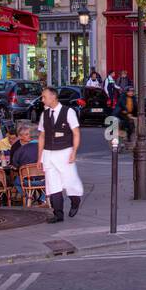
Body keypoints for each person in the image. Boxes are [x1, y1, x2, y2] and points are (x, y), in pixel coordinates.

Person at [37, 86, 82, 224]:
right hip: (49, 152)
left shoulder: (68, 112)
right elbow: (42, 136)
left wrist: (74, 152)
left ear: (53, 97)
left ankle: (75, 200)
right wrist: (39, 157)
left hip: (65, 151)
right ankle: (58, 214)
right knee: (53, 184)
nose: (42, 100)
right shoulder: (44, 115)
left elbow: (76, 133)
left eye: (44, 97)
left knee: (70, 181)